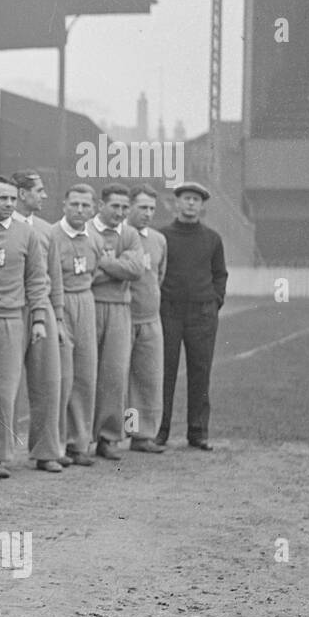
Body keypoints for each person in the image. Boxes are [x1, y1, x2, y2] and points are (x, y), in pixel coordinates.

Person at [0, 175, 50, 478]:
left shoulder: (25, 234)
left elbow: (36, 279)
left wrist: (39, 318)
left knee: (3, 390)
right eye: (3, 198)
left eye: (13, 199)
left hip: (10, 319)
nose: (9, 204)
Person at [156, 181, 227, 450]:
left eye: (196, 200)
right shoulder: (163, 236)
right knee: (165, 372)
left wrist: (214, 301)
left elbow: (220, 275)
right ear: (177, 203)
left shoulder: (212, 239)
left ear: (202, 205)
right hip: (169, 312)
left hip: (202, 314)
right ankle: (159, 431)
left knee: (201, 372)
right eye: (186, 198)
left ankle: (197, 432)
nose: (190, 203)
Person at [11, 170, 68, 473]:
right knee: (3, 386)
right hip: (8, 308)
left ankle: (46, 451)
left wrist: (56, 317)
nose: (45, 196)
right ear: (22, 193)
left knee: (48, 382)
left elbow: (54, 278)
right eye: (39, 190)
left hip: (41, 308)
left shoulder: (47, 231)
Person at [87, 184, 143, 460]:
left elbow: (135, 270)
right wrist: (115, 267)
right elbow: (85, 273)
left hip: (120, 309)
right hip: (89, 305)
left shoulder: (130, 234)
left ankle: (107, 437)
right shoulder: (86, 230)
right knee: (83, 372)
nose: (120, 212)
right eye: (114, 206)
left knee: (115, 373)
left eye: (124, 207)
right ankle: (78, 437)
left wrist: (106, 264)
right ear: (101, 205)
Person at [53, 184, 101, 466]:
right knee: (61, 378)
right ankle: (56, 444)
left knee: (85, 376)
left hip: (86, 302)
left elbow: (94, 271)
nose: (80, 210)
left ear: (92, 208)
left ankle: (79, 443)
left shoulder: (93, 238)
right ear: (64, 205)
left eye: (85, 205)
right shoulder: (52, 236)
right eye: (75, 205)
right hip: (60, 303)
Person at [126, 186, 168, 453]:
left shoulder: (158, 240)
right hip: (123, 317)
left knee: (148, 379)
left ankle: (142, 435)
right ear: (130, 207)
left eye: (152, 208)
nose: (148, 213)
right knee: (116, 379)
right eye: (142, 207)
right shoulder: (120, 236)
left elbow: (158, 276)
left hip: (150, 319)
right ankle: (106, 435)